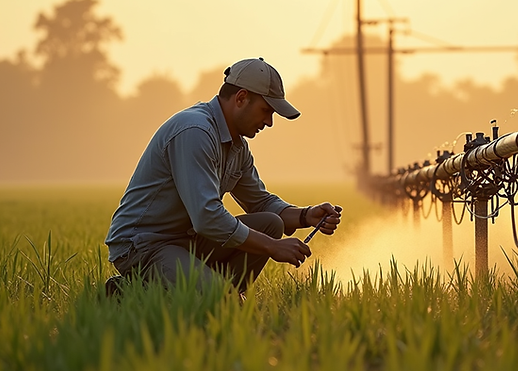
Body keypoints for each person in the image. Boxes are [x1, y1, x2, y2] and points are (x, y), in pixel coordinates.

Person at [104, 57, 341, 297]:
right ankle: (138, 292)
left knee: (271, 224)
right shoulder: (195, 131)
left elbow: (259, 201)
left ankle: (211, 292)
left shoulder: (237, 146)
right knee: (221, 301)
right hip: (146, 245)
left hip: (189, 241)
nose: (269, 122)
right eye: (266, 110)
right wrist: (272, 247)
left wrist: (306, 215)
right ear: (241, 98)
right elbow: (207, 216)